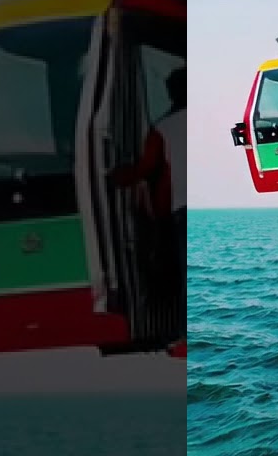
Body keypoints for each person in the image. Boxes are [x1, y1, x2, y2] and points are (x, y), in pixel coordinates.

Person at [109, 66, 185, 345]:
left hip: (179, 209)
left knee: (177, 269)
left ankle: (179, 330)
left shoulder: (163, 128)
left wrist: (115, 175)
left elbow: (145, 168)